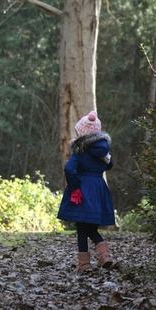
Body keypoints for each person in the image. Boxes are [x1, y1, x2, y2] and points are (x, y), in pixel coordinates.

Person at [57, 110, 115, 272]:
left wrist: (75, 187)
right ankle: (104, 255)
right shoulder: (103, 150)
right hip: (98, 189)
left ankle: (84, 264)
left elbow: (69, 168)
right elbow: (109, 165)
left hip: (83, 189)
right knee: (90, 226)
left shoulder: (80, 150)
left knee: (82, 227)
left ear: (82, 133)